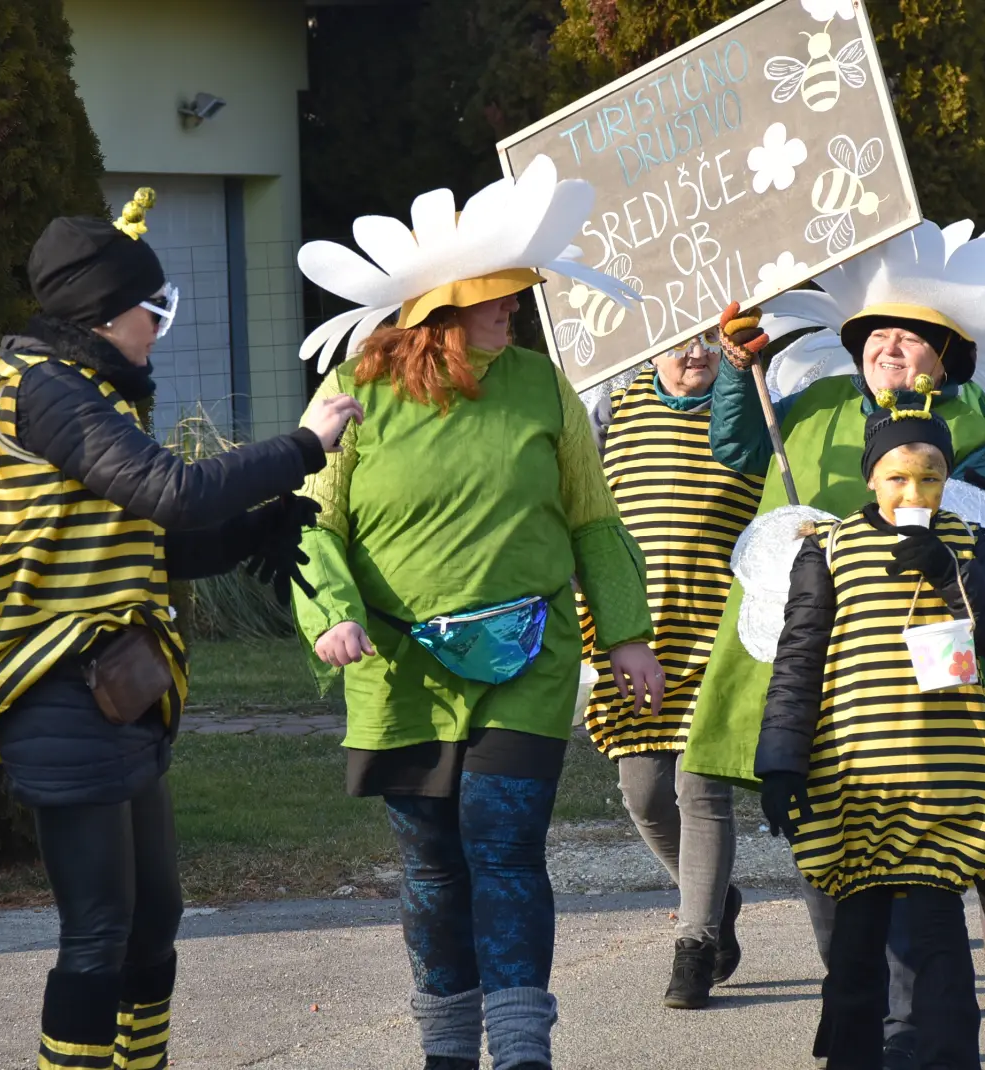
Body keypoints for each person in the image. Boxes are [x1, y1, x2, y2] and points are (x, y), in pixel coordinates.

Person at [0, 193, 361, 1069]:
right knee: (97, 935)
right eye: (151, 310)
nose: (159, 329)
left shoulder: (87, 392)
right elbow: (174, 490)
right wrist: (302, 447)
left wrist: (255, 527)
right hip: (54, 691)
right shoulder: (48, 392)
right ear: (100, 313)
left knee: (153, 922)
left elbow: (152, 541)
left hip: (116, 695)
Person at [290, 159, 660, 1070]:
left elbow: (593, 519)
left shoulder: (542, 387)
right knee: (431, 865)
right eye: (496, 299)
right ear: (440, 314)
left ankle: (524, 1047)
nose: (514, 311)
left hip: (527, 662)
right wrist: (332, 614)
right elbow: (306, 524)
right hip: (400, 671)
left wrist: (626, 636)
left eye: (516, 297)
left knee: (501, 843)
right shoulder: (355, 394)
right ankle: (448, 1049)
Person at [687, 219, 985, 1065]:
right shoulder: (820, 405)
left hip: (958, 673)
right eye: (876, 339)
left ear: (946, 353)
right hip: (846, 675)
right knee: (856, 908)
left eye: (911, 341)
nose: (891, 352)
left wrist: (979, 513)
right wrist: (737, 369)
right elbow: (738, 440)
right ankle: (870, 1025)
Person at [758, 397, 985, 1070]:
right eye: (899, 476)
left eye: (931, 476)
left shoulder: (969, 543)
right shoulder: (828, 549)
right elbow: (799, 659)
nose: (915, 491)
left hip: (946, 781)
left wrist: (950, 573)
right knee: (855, 950)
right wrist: (781, 762)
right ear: (871, 478)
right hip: (854, 779)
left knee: (938, 943)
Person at [581, 330, 763, 1009]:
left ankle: (695, 943)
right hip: (634, 635)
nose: (697, 354)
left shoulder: (744, 408)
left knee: (700, 790)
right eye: (680, 342)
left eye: (709, 342)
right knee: (644, 792)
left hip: (716, 634)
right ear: (650, 346)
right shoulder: (620, 411)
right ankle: (715, 895)